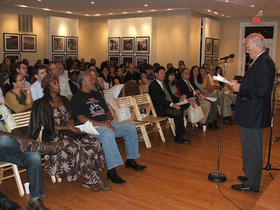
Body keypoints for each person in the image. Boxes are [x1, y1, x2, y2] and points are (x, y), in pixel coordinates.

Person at [28, 73, 110, 192]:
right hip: (54, 136)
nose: (58, 85)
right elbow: (49, 126)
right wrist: (67, 127)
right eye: (55, 83)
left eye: (58, 82)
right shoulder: (42, 104)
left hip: (70, 132)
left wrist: (71, 123)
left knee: (93, 141)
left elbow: (71, 116)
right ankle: (91, 179)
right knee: (76, 147)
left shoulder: (64, 99)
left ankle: (92, 174)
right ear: (47, 87)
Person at [70, 71, 146, 184]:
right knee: (108, 133)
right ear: (83, 82)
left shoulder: (97, 94)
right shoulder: (77, 97)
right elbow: (81, 118)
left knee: (130, 127)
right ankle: (112, 170)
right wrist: (103, 124)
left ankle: (131, 159)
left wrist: (108, 121)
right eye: (91, 79)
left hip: (105, 124)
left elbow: (107, 113)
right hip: (90, 127)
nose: (93, 81)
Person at [231, 33, 275, 193]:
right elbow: (255, 83)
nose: (246, 51)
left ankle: (252, 183)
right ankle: (250, 175)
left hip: (254, 114)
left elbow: (262, 90)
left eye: (248, 48)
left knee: (253, 149)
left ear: (257, 47)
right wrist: (240, 83)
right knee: (248, 148)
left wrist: (240, 88)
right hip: (251, 113)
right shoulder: (261, 61)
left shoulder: (265, 62)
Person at [0, 130, 63, 210]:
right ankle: (40, 147)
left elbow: (15, 129)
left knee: (34, 156)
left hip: (12, 148)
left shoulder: (6, 116)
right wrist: (17, 138)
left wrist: (24, 140)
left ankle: (34, 201)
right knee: (3, 139)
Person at [149, 66, 190, 144]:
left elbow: (171, 96)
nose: (163, 75)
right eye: (161, 73)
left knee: (185, 105)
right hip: (160, 108)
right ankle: (178, 136)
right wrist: (172, 104)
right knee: (178, 112)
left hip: (168, 105)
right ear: (156, 74)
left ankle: (180, 133)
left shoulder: (164, 84)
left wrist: (180, 98)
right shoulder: (153, 85)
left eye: (164, 73)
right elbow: (159, 100)